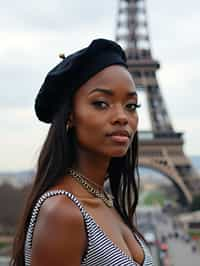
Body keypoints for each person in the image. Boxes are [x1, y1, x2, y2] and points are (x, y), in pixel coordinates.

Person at [10, 39, 154, 266]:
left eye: (131, 106)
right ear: (70, 115)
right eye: (101, 103)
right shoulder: (62, 212)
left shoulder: (105, 200)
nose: (122, 117)